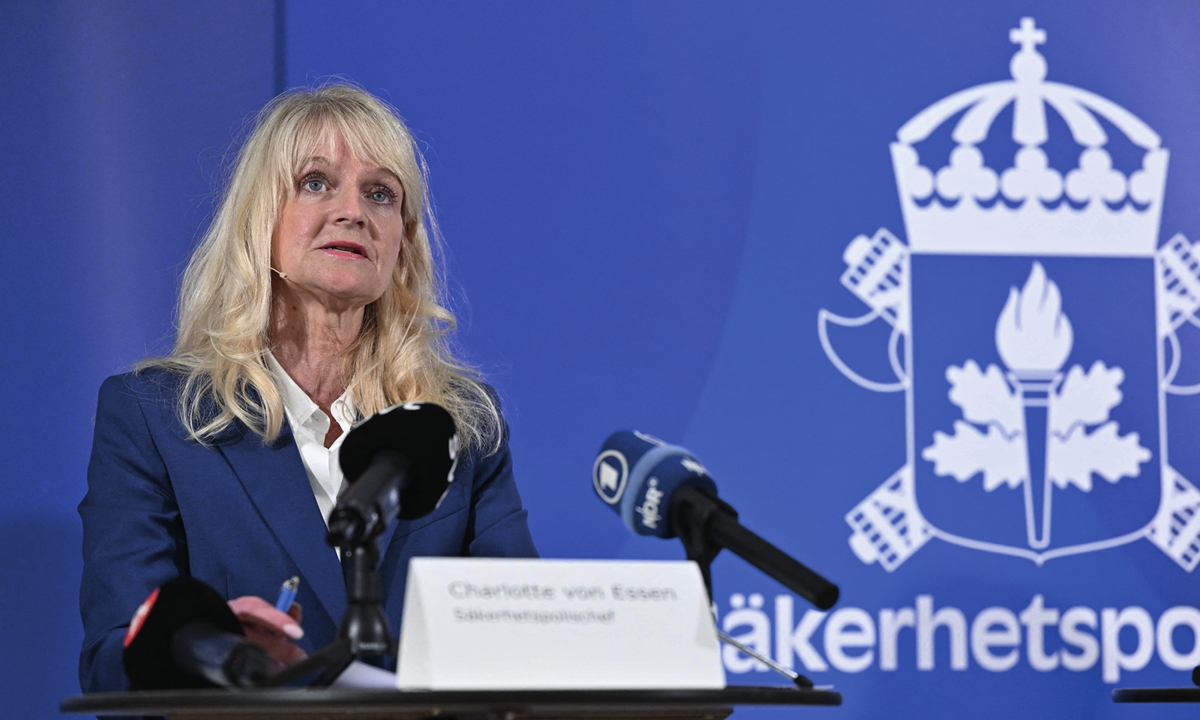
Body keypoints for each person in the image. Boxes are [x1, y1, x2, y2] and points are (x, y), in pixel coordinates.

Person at [78, 83, 537, 692]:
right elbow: (111, 662)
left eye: (380, 194)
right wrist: (206, 647)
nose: (353, 211)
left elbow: (527, 638)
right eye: (316, 182)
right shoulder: (155, 418)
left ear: (401, 245)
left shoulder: (461, 423)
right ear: (258, 220)